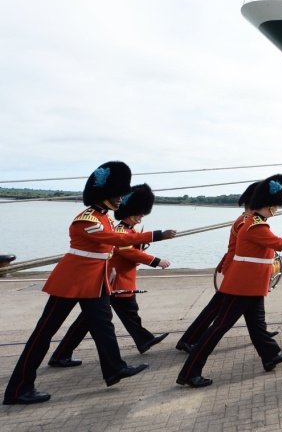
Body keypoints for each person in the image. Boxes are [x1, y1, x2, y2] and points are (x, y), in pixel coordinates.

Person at [4, 162, 176, 406]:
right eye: (117, 195)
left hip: (94, 284)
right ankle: (18, 389)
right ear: (104, 195)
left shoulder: (103, 217)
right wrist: (155, 235)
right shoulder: (86, 219)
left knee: (104, 328)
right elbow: (115, 239)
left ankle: (115, 369)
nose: (120, 200)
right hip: (70, 282)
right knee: (43, 333)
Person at [177, 174, 282, 387]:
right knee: (218, 328)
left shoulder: (256, 223)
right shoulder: (255, 225)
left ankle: (270, 355)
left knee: (257, 325)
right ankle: (189, 373)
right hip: (243, 286)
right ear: (270, 206)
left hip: (252, 286)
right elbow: (277, 242)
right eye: (275, 206)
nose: (276, 210)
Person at [47, 184, 171, 367]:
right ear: (130, 213)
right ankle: (138, 344)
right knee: (102, 319)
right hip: (112, 280)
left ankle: (64, 354)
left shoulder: (123, 228)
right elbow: (124, 248)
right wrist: (155, 255)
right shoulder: (114, 228)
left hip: (110, 279)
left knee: (94, 320)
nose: (141, 216)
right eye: (139, 213)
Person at [177, 182, 279, 352]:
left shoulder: (246, 220)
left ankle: (263, 339)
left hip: (235, 269)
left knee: (223, 309)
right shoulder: (246, 222)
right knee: (218, 312)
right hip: (235, 271)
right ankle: (189, 341)